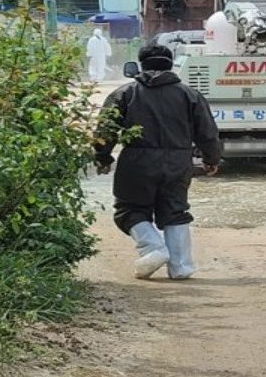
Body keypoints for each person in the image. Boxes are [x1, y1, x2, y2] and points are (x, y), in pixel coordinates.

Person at [94, 43, 222, 280]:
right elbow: (207, 132)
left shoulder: (125, 93)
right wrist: (211, 159)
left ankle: (153, 249)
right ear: (171, 64)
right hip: (178, 161)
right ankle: (181, 267)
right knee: (176, 211)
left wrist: (102, 156)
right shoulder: (189, 95)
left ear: (141, 66)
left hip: (136, 161)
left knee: (130, 209)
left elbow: (106, 129)